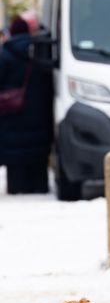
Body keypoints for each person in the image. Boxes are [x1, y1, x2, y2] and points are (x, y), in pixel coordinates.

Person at [0, 13, 53, 194]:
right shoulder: (39, 50)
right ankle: (39, 186)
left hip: (12, 113)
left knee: (15, 155)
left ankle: (17, 187)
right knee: (37, 152)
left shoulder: (5, 53)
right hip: (38, 112)